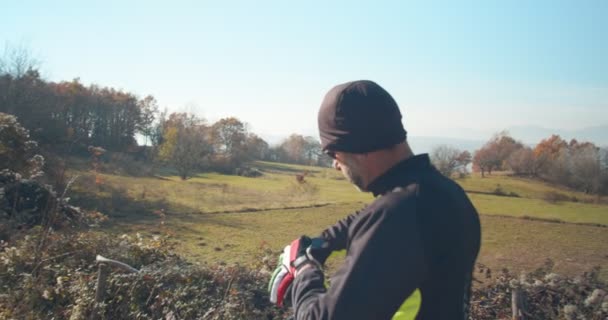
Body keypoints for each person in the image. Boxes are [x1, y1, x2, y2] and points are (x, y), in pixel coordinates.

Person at [268, 80, 481, 319]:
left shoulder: (395, 217)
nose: (335, 164)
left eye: (333, 152)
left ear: (355, 144)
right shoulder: (445, 193)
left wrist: (304, 270)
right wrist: (321, 243)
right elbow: (365, 218)